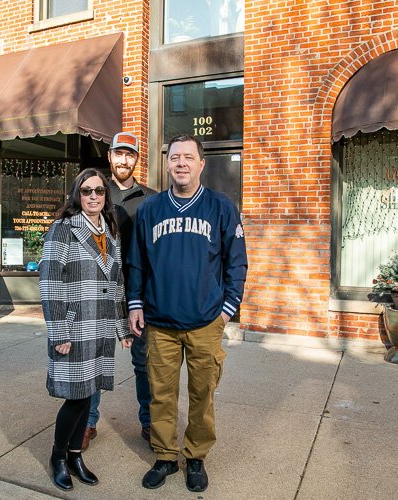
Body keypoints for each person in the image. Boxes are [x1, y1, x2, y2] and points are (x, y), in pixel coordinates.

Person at [126, 134, 247, 493]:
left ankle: (195, 456)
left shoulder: (220, 207)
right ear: (166, 164)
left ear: (201, 164)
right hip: (160, 323)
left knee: (202, 393)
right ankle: (165, 457)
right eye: (174, 157)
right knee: (160, 395)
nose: (181, 163)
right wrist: (135, 303)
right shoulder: (150, 209)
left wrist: (227, 310)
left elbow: (237, 263)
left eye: (188, 157)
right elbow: (136, 263)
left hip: (205, 322)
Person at [39, 168, 132, 491]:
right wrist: (59, 333)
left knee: (90, 392)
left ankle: (76, 455)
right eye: (86, 191)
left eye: (99, 191)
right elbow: (50, 283)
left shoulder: (110, 231)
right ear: (77, 195)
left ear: (106, 196)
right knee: (76, 399)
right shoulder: (63, 229)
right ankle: (58, 457)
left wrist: (122, 329)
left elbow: (117, 281)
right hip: (75, 326)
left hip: (101, 325)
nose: (93, 196)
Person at [82, 132, 157, 451]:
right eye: (119, 154)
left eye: (130, 155)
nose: (124, 160)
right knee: (94, 360)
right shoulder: (95, 193)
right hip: (99, 291)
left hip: (138, 293)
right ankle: (87, 423)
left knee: (144, 363)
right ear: (109, 156)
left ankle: (149, 423)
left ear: (136, 159)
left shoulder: (153, 198)